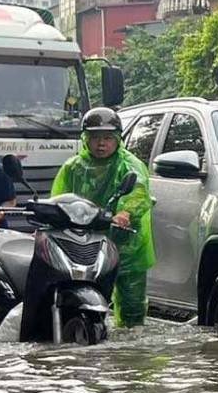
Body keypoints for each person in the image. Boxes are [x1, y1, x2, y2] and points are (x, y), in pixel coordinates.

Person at [52, 106, 154, 328]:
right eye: (95, 137)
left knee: (131, 303)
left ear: (118, 139)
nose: (101, 144)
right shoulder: (73, 167)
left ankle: (131, 344)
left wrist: (125, 213)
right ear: (85, 139)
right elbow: (59, 198)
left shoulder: (129, 165)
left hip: (126, 243)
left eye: (107, 138)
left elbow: (139, 193)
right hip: (84, 239)